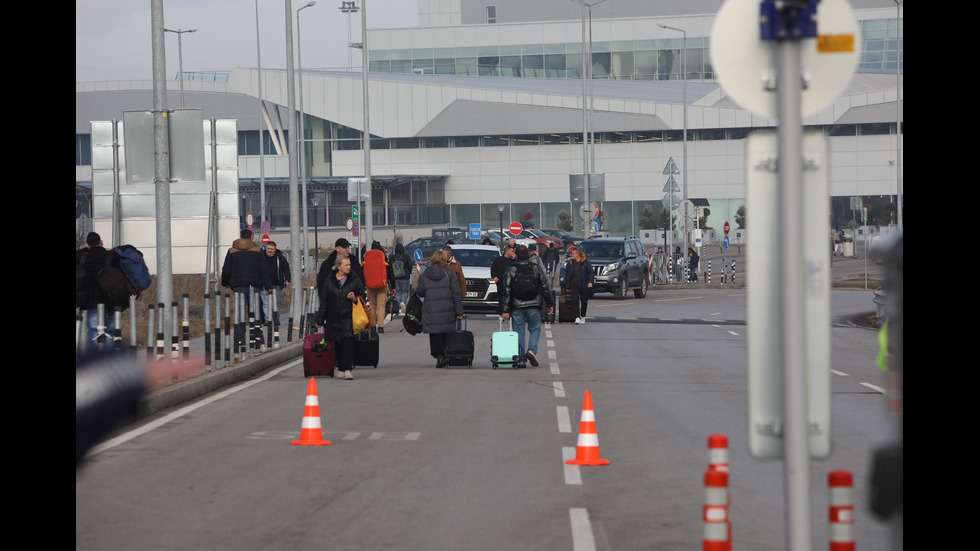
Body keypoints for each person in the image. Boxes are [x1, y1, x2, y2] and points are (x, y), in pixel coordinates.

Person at [500, 245, 554, 368]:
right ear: (529, 255)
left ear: (516, 255)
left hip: (517, 305)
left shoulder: (511, 269)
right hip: (534, 304)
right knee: (535, 328)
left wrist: (505, 310)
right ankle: (531, 351)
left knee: (519, 332)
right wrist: (549, 304)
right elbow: (545, 287)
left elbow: (507, 290)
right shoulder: (536, 268)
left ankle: (521, 360)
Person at [314, 256, 366, 380]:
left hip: (348, 317)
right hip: (333, 317)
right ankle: (341, 368)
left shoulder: (354, 279)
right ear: (338, 267)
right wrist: (320, 319)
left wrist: (354, 298)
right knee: (337, 343)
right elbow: (324, 301)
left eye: (349, 265)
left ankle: (347, 368)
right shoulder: (330, 280)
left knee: (348, 341)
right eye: (346, 265)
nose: (349, 267)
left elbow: (362, 295)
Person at [414, 250, 464, 368]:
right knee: (446, 332)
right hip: (447, 309)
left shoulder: (425, 274)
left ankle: (439, 356)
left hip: (430, 309)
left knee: (435, 333)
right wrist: (459, 312)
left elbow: (420, 292)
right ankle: (446, 354)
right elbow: (456, 294)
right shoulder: (450, 274)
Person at [221, 229, 272, 343]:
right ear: (251, 237)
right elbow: (263, 270)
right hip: (254, 286)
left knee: (240, 311)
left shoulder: (232, 251)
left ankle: (240, 337)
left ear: (240, 237)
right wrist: (268, 286)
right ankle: (257, 336)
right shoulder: (258, 250)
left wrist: (225, 283)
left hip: (238, 286)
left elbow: (226, 270)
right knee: (255, 311)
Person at [76, 232, 120, 348]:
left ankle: (98, 359)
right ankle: (109, 359)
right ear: (101, 242)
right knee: (111, 331)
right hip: (111, 300)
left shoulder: (84, 257)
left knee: (94, 331)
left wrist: (87, 249)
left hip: (92, 302)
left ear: (88, 245)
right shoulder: (110, 256)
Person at [362, 241, 394, 333]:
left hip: (370, 285)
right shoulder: (383, 256)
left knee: (372, 306)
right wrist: (393, 286)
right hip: (382, 285)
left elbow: (363, 271)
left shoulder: (367, 256)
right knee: (381, 306)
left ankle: (372, 326)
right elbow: (390, 272)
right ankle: (380, 326)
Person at [560, 247, 595, 325]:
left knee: (584, 302)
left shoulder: (585, 262)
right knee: (575, 301)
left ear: (578, 254)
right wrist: (568, 286)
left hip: (584, 284)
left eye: (573, 253)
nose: (571, 255)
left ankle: (583, 316)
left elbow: (591, 272)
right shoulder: (571, 262)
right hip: (574, 285)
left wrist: (590, 282)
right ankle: (577, 317)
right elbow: (567, 274)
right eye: (571, 253)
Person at [259, 241, 290, 325]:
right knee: (266, 303)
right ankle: (267, 319)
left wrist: (288, 280)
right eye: (268, 248)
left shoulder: (280, 257)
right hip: (264, 284)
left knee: (277, 302)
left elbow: (286, 268)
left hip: (277, 283)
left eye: (272, 249)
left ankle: (276, 318)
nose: (269, 251)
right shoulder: (261, 256)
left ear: (275, 249)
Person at [389, 243, 413, 314]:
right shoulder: (406, 256)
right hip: (405, 277)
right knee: (405, 291)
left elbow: (389, 268)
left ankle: (400, 306)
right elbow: (410, 266)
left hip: (395, 277)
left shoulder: (391, 257)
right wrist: (409, 272)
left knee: (398, 292)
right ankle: (403, 304)